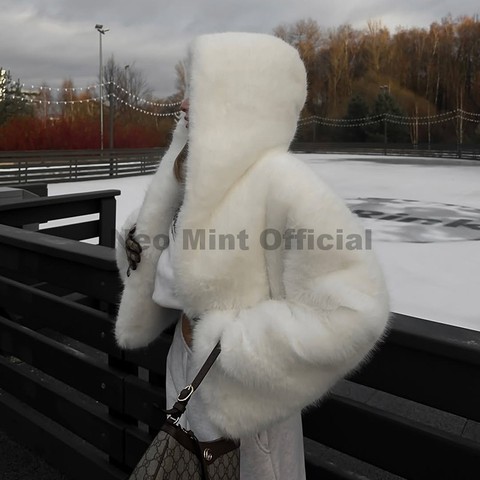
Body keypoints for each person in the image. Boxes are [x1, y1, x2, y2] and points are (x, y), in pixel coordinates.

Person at [115, 32, 390, 480]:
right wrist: (140, 240)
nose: (183, 104)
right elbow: (172, 275)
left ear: (237, 97)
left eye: (199, 90)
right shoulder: (191, 179)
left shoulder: (280, 182)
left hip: (242, 395)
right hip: (186, 369)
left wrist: (241, 351)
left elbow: (355, 308)